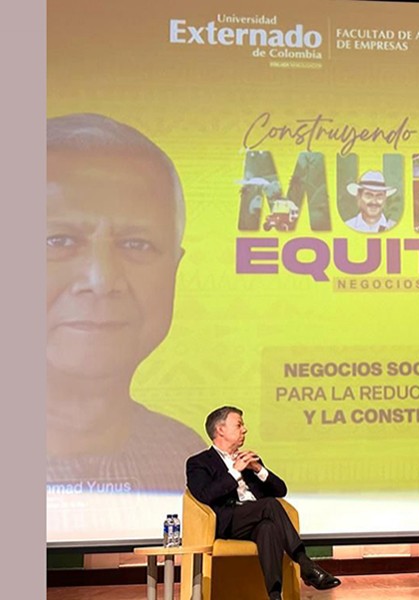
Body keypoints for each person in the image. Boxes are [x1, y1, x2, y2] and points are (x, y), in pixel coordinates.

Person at [47, 113, 205, 492]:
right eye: (59, 241)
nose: (102, 281)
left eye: (137, 245)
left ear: (174, 270)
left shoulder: (187, 460)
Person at [186, 407, 341, 599]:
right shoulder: (199, 462)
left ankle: (274, 595)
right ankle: (306, 564)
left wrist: (258, 469)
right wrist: (234, 472)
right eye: (239, 425)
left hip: (257, 519)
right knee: (269, 505)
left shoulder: (250, 460)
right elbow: (205, 495)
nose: (245, 429)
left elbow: (280, 490)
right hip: (227, 521)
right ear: (221, 430)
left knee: (269, 528)